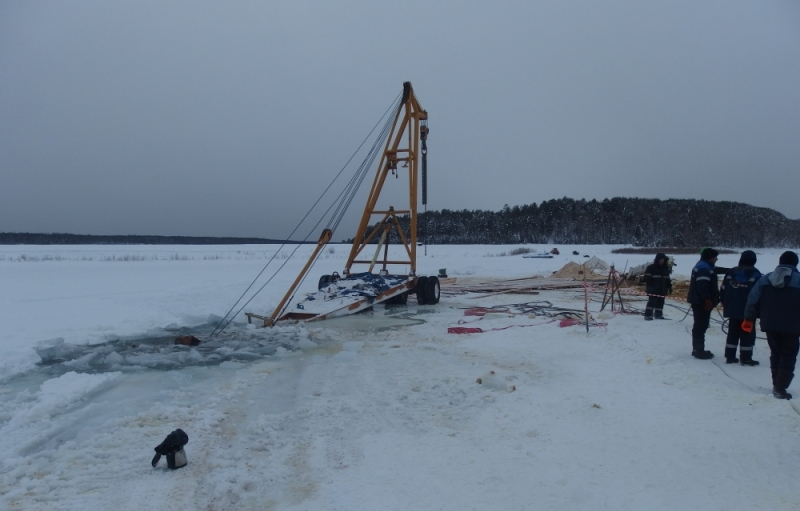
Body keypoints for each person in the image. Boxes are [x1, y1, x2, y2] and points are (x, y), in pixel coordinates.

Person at [743, 251, 800, 400]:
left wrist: (749, 318)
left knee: (776, 352)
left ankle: (777, 383)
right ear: (796, 263)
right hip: (792, 325)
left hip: (769, 323)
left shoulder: (765, 279)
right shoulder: (798, 280)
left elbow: (752, 299)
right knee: (789, 354)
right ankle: (780, 387)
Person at [720, 250, 761, 365]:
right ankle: (746, 358)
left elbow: (723, 289)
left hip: (732, 307)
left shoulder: (731, 272)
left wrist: (724, 301)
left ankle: (730, 356)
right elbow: (759, 293)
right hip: (748, 310)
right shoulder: (756, 274)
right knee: (747, 333)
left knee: (732, 332)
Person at [687, 248, 720, 359]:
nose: (717, 259)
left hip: (697, 300)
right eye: (715, 257)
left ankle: (698, 348)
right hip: (700, 302)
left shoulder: (703, 266)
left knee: (700, 325)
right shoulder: (704, 269)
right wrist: (707, 300)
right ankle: (698, 350)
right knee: (701, 325)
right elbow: (702, 286)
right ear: (710, 257)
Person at [643, 252, 672, 320]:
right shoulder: (651, 268)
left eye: (663, 259)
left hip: (662, 289)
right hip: (653, 289)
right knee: (652, 302)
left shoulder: (665, 269)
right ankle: (648, 315)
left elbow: (668, 279)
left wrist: (669, 287)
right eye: (661, 259)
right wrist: (649, 286)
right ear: (657, 259)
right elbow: (647, 278)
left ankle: (658, 314)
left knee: (661, 302)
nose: (662, 261)